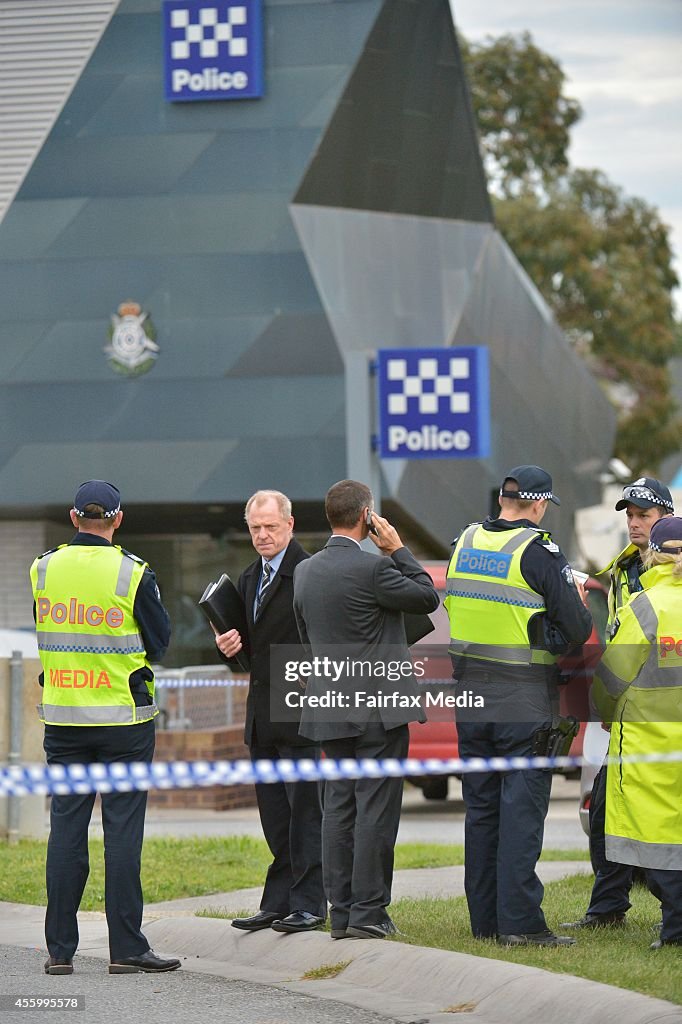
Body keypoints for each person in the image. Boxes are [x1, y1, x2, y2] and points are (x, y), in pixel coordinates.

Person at [30, 480, 180, 975]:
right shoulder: (133, 573)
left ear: (74, 519)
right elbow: (158, 643)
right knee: (121, 834)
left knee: (66, 833)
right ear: (118, 519)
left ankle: (59, 951)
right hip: (123, 724)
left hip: (64, 721)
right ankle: (126, 949)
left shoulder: (43, 568)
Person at [444, 465, 592, 947]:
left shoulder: (464, 542)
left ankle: (485, 921)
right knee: (522, 810)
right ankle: (521, 923)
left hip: (471, 694)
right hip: (522, 695)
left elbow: (455, 608)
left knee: (481, 808)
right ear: (538, 503)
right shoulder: (538, 551)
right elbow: (575, 628)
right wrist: (549, 626)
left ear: (504, 499)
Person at [292, 479, 439, 940]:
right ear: (367, 516)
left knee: (337, 809)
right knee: (374, 810)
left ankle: (342, 912)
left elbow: (305, 635)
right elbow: (426, 596)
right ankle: (369, 913)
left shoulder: (304, 572)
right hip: (378, 710)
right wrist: (397, 548)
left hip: (331, 707)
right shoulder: (375, 570)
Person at [564, 477, 674, 931]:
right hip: (630, 719)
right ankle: (608, 908)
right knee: (607, 807)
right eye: (628, 516)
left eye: (643, 515)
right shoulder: (622, 570)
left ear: (665, 517)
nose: (633, 524)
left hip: (664, 720)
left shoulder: (669, 572)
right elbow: (617, 643)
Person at [214, 490, 325, 933]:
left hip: (299, 711)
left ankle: (311, 904)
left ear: (290, 525)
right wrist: (227, 648)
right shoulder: (247, 578)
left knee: (306, 816)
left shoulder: (309, 573)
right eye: (256, 528)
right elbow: (247, 654)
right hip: (261, 716)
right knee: (275, 816)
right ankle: (277, 902)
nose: (262, 535)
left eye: (271, 527)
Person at [591, 515, 682, 949]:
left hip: (648, 748)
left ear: (652, 555)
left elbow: (611, 679)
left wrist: (607, 713)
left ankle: (677, 927)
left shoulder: (644, 606)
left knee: (658, 840)